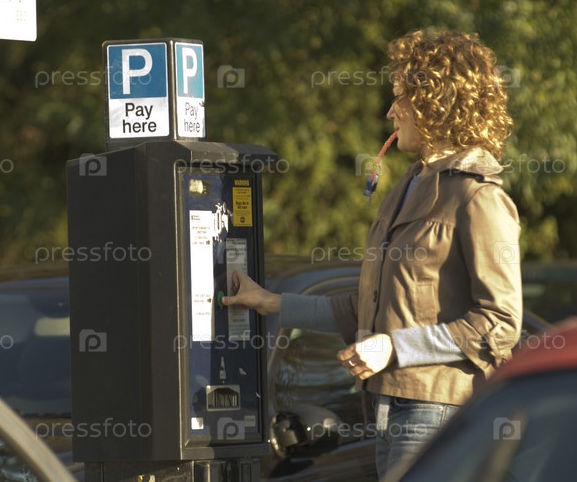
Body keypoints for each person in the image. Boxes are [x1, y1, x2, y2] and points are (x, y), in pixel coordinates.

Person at [223, 28, 523, 479]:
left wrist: (395, 347)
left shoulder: (478, 197)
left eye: (400, 97)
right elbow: (364, 310)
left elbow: (499, 325)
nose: (390, 111)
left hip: (438, 413)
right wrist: (270, 302)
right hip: (385, 409)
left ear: (436, 101)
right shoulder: (407, 187)